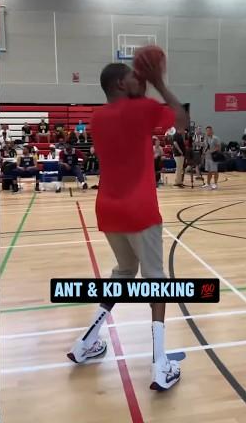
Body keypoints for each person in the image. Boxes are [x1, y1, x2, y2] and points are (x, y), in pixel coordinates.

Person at [67, 62, 187, 391]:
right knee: (157, 282)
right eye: (134, 76)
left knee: (124, 272)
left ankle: (85, 342)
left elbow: (133, 117)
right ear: (122, 83)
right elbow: (181, 119)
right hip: (140, 211)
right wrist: (159, 84)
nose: (140, 79)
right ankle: (160, 364)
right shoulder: (144, 109)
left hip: (108, 210)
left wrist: (142, 90)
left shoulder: (97, 117)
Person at [203, 125, 221, 190]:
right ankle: (208, 183)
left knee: (215, 171)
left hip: (214, 157)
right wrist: (204, 152)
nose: (208, 132)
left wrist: (212, 151)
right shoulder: (206, 139)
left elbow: (219, 147)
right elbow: (205, 147)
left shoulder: (215, 138)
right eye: (207, 131)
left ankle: (215, 184)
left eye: (209, 130)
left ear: (211, 131)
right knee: (209, 171)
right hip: (207, 157)